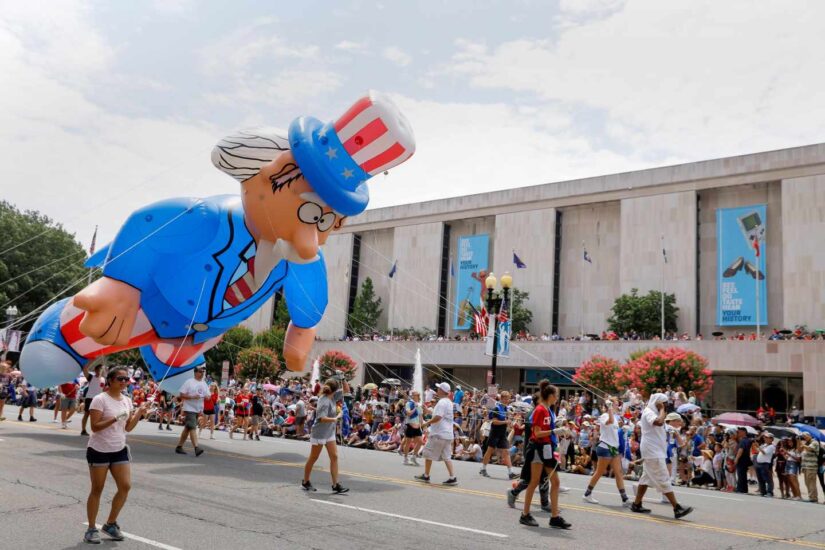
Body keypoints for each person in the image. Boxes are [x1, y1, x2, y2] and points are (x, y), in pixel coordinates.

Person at [84, 367, 150, 544]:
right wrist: (115, 418)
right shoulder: (100, 400)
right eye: (120, 378)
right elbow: (95, 427)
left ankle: (110, 523)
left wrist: (139, 414)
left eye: (126, 379)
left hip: (119, 448)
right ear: (111, 380)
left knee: (125, 486)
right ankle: (91, 528)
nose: (124, 382)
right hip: (99, 449)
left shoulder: (127, 401)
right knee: (97, 489)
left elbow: (127, 427)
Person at [630, 393, 693, 519]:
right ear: (658, 402)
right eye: (664, 403)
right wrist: (662, 409)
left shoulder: (656, 413)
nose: (666, 406)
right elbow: (658, 422)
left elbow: (663, 426)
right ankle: (677, 507)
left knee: (646, 478)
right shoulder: (649, 412)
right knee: (664, 478)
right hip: (653, 451)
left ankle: (636, 504)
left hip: (655, 451)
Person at [518, 381, 571, 529]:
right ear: (550, 395)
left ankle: (554, 517)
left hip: (548, 447)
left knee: (556, 481)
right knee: (534, 481)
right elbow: (536, 433)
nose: (558, 398)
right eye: (557, 395)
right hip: (538, 448)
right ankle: (525, 514)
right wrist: (554, 431)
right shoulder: (540, 409)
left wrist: (558, 430)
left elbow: (547, 428)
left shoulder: (549, 409)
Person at [302, 376, 349, 493]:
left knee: (334, 457)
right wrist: (336, 418)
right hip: (319, 433)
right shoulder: (324, 401)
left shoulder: (332, 396)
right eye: (338, 388)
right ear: (334, 389)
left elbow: (347, 390)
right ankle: (305, 481)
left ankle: (335, 485)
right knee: (313, 458)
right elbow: (322, 418)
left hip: (329, 433)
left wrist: (343, 379)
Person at [582, 398, 630, 506]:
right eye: (617, 404)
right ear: (610, 405)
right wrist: (609, 409)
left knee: (619, 473)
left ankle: (624, 499)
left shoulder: (616, 418)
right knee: (599, 472)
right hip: (605, 446)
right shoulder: (604, 416)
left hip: (613, 447)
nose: (618, 406)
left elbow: (613, 430)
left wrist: (622, 429)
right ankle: (587, 494)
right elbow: (610, 422)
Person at [415, 382, 458, 485]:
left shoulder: (442, 402)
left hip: (439, 434)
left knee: (427, 452)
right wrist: (428, 411)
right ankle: (452, 477)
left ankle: (426, 476)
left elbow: (438, 417)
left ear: (442, 391)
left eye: (438, 388)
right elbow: (439, 414)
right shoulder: (448, 402)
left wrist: (427, 423)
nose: (437, 390)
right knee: (447, 457)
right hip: (447, 434)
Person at [480, 391, 518, 480]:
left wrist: (509, 424)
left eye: (508, 398)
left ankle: (510, 472)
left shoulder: (505, 408)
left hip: (502, 433)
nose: (507, 400)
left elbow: (504, 421)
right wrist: (506, 422)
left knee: (506, 452)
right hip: (495, 433)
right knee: (489, 451)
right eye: (505, 398)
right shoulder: (497, 408)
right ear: (501, 399)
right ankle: (483, 468)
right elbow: (494, 421)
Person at [175, 366, 209, 457]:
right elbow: (181, 394)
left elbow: (208, 396)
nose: (202, 373)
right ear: (195, 372)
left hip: (198, 409)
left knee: (188, 427)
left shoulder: (204, 383)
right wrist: (192, 397)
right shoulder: (189, 382)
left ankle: (179, 446)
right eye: (200, 372)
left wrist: (207, 397)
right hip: (189, 408)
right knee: (192, 427)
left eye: (203, 372)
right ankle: (196, 448)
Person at [81, 364, 106, 436]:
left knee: (99, 415)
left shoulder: (104, 379)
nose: (101, 371)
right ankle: (83, 430)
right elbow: (84, 368)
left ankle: (97, 430)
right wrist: (92, 360)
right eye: (99, 369)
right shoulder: (91, 377)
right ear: (95, 370)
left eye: (102, 370)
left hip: (99, 399)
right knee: (87, 414)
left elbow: (103, 389)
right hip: (90, 398)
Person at [402, 390, 422, 466]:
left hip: (417, 426)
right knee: (408, 442)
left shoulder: (419, 405)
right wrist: (415, 408)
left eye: (417, 394)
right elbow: (408, 413)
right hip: (410, 425)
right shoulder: (408, 403)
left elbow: (420, 417)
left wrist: (423, 427)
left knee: (420, 441)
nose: (415, 396)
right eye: (414, 394)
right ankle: (405, 458)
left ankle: (413, 457)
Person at [800, 432, 820, 503]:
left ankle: (814, 498)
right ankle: (811, 497)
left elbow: (810, 449)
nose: (804, 437)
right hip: (806, 466)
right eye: (803, 436)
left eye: (805, 436)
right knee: (807, 482)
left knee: (811, 482)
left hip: (811, 466)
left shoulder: (814, 442)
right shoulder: (806, 443)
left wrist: (803, 445)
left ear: (809, 436)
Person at [754, 432, 776, 497]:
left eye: (767, 437)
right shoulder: (764, 445)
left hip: (765, 464)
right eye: (765, 437)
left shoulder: (771, 446)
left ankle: (770, 492)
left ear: (771, 439)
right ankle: (763, 492)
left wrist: (758, 446)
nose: (765, 438)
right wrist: (755, 445)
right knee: (760, 479)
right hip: (759, 463)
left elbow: (764, 452)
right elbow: (758, 451)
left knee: (767, 479)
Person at [734, 426, 753, 494]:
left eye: (739, 432)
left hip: (741, 460)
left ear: (743, 432)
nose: (738, 433)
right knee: (743, 475)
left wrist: (736, 459)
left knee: (741, 474)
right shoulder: (748, 440)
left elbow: (741, 450)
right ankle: (744, 489)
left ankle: (740, 489)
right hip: (746, 460)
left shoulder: (743, 440)